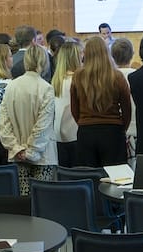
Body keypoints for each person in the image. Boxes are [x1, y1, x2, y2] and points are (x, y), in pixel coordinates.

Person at [0, 44, 58, 194]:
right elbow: (43, 125)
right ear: (44, 61)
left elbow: (4, 124)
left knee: (23, 200)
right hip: (43, 156)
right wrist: (31, 151)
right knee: (42, 199)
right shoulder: (46, 88)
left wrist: (16, 148)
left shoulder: (11, 86)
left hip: (18, 155)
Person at [71, 36, 133, 166]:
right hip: (113, 132)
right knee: (115, 175)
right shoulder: (117, 76)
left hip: (86, 132)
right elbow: (127, 109)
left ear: (86, 54)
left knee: (88, 175)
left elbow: (74, 109)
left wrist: (84, 122)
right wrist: (122, 128)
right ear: (106, 52)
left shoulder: (78, 76)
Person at [51, 39, 83, 166]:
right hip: (75, 133)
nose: (83, 56)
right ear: (75, 57)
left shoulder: (56, 81)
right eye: (81, 53)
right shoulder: (77, 81)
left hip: (58, 134)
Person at [111, 38, 138, 158]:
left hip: (115, 130)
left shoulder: (108, 77)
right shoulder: (138, 76)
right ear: (132, 54)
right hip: (137, 129)